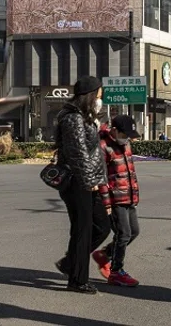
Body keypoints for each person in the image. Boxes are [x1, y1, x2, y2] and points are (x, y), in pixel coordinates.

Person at [54, 75, 111, 294]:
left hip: (89, 180)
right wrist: (89, 182)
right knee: (82, 230)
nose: (101, 96)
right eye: (99, 92)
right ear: (90, 94)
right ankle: (77, 279)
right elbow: (78, 154)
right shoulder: (73, 118)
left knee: (102, 226)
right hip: (78, 182)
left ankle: (70, 264)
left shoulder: (85, 116)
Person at [93, 115, 141, 287]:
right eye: (124, 134)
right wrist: (106, 203)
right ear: (114, 130)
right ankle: (116, 271)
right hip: (115, 198)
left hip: (128, 196)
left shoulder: (125, 144)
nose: (127, 138)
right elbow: (102, 178)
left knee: (134, 231)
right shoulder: (103, 146)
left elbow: (129, 171)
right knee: (124, 234)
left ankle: (105, 254)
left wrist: (134, 193)